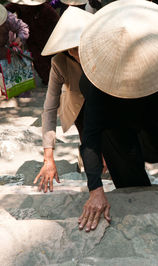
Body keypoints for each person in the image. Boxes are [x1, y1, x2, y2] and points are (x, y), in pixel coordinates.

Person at [77, 0, 158, 232]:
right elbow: (90, 139)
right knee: (128, 171)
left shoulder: (151, 59)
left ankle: (157, 153)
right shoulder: (97, 86)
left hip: (150, 110)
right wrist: (95, 189)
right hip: (114, 121)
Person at [33, 7, 93, 193]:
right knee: (88, 143)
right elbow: (50, 108)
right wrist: (48, 157)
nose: (77, 53)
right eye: (72, 49)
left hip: (106, 105)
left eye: (81, 47)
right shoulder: (59, 62)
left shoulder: (102, 53)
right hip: (78, 107)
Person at [6, 0, 59, 85]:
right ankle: (49, 80)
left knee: (51, 59)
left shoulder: (45, 8)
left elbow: (57, 22)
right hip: (31, 38)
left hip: (47, 37)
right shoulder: (17, 4)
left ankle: (54, 79)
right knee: (38, 60)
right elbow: (5, 11)